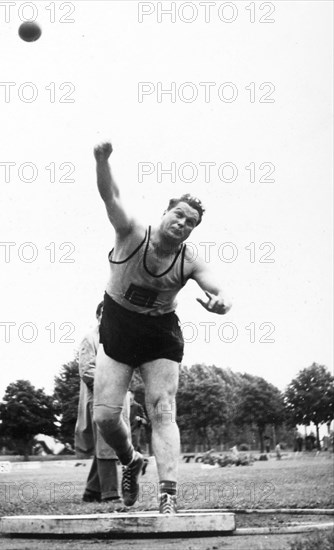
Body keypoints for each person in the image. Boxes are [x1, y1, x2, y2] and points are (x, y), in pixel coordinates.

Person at [92, 142, 232, 514]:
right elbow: (110, 196)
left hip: (159, 333)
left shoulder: (189, 260)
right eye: (179, 215)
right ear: (166, 212)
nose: (183, 223)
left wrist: (222, 303)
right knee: (105, 416)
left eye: (190, 222)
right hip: (118, 325)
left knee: (163, 409)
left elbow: (219, 288)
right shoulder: (132, 233)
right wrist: (102, 160)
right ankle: (131, 460)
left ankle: (168, 495)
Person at [75, 301, 125, 503]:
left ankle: (92, 491)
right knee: (106, 444)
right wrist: (112, 383)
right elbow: (86, 371)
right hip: (99, 397)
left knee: (111, 442)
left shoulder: (121, 338)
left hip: (119, 398)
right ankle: (110, 493)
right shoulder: (90, 338)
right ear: (98, 316)